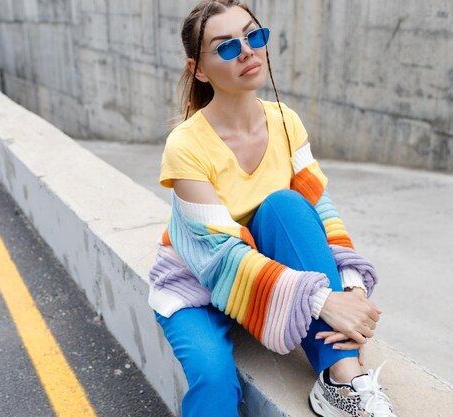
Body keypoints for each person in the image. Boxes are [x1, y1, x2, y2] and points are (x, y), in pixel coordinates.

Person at [147, 1, 397, 416]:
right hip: (198, 284)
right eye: (225, 46)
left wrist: (349, 286)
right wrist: (322, 301)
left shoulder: (285, 121)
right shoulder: (186, 146)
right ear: (199, 70)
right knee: (214, 381)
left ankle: (342, 382)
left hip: (267, 278)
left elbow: (321, 212)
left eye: (253, 35)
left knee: (288, 204)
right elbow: (221, 261)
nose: (246, 50)